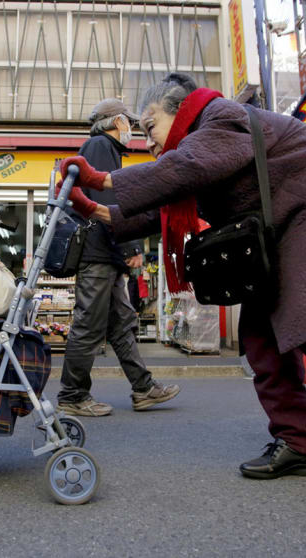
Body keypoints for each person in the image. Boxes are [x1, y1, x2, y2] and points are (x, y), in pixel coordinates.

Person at [61, 73, 306, 482]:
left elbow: (186, 166)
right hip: (283, 227)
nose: (146, 142)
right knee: (260, 336)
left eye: (150, 127)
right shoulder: (201, 146)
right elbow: (160, 208)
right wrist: (93, 209)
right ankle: (298, 444)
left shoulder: (220, 117)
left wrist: (101, 180)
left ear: (180, 110)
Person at [57, 98, 180, 417]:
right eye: (128, 120)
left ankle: (143, 388)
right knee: (88, 325)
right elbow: (105, 200)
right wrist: (131, 247)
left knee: (122, 324)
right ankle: (72, 395)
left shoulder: (105, 149)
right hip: (99, 254)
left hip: (105, 254)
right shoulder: (100, 145)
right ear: (115, 122)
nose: (131, 127)